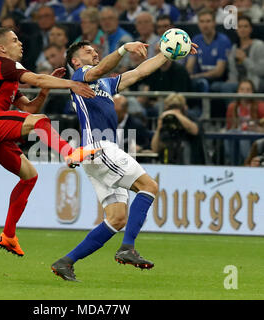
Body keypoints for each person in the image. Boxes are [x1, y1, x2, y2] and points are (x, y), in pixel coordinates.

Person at [51, 40, 198, 281]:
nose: (94, 52)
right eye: (88, 51)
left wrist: (168, 53)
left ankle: (65, 262)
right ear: (76, 61)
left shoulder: (105, 84)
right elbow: (98, 70)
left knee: (117, 218)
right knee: (149, 186)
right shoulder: (81, 75)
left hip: (95, 155)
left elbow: (139, 72)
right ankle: (127, 248)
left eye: (95, 50)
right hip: (100, 148)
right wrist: (122, 49)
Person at [0, 27, 99, 257]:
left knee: (29, 175)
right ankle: (69, 152)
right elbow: (36, 78)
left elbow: (29, 108)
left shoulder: (4, 73)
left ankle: (8, 235)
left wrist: (45, 90)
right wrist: (72, 84)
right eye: (15, 40)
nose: (20, 44)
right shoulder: (5, 64)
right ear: (2, 48)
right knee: (40, 121)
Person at [150, 93, 205, 164]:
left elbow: (195, 131)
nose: (172, 112)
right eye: (171, 108)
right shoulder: (166, 121)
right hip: (168, 164)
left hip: (190, 164)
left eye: (177, 107)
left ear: (184, 108)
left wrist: (177, 114)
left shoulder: (190, 118)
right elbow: (155, 149)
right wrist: (158, 128)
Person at [225, 16, 264, 94]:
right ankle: (234, 106)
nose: (242, 29)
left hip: (253, 81)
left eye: (246, 26)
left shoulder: (259, 45)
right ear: (236, 30)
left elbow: (261, 71)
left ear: (251, 29)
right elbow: (232, 71)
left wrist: (245, 59)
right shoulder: (234, 48)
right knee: (219, 86)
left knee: (227, 88)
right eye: (240, 26)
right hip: (237, 83)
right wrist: (231, 81)